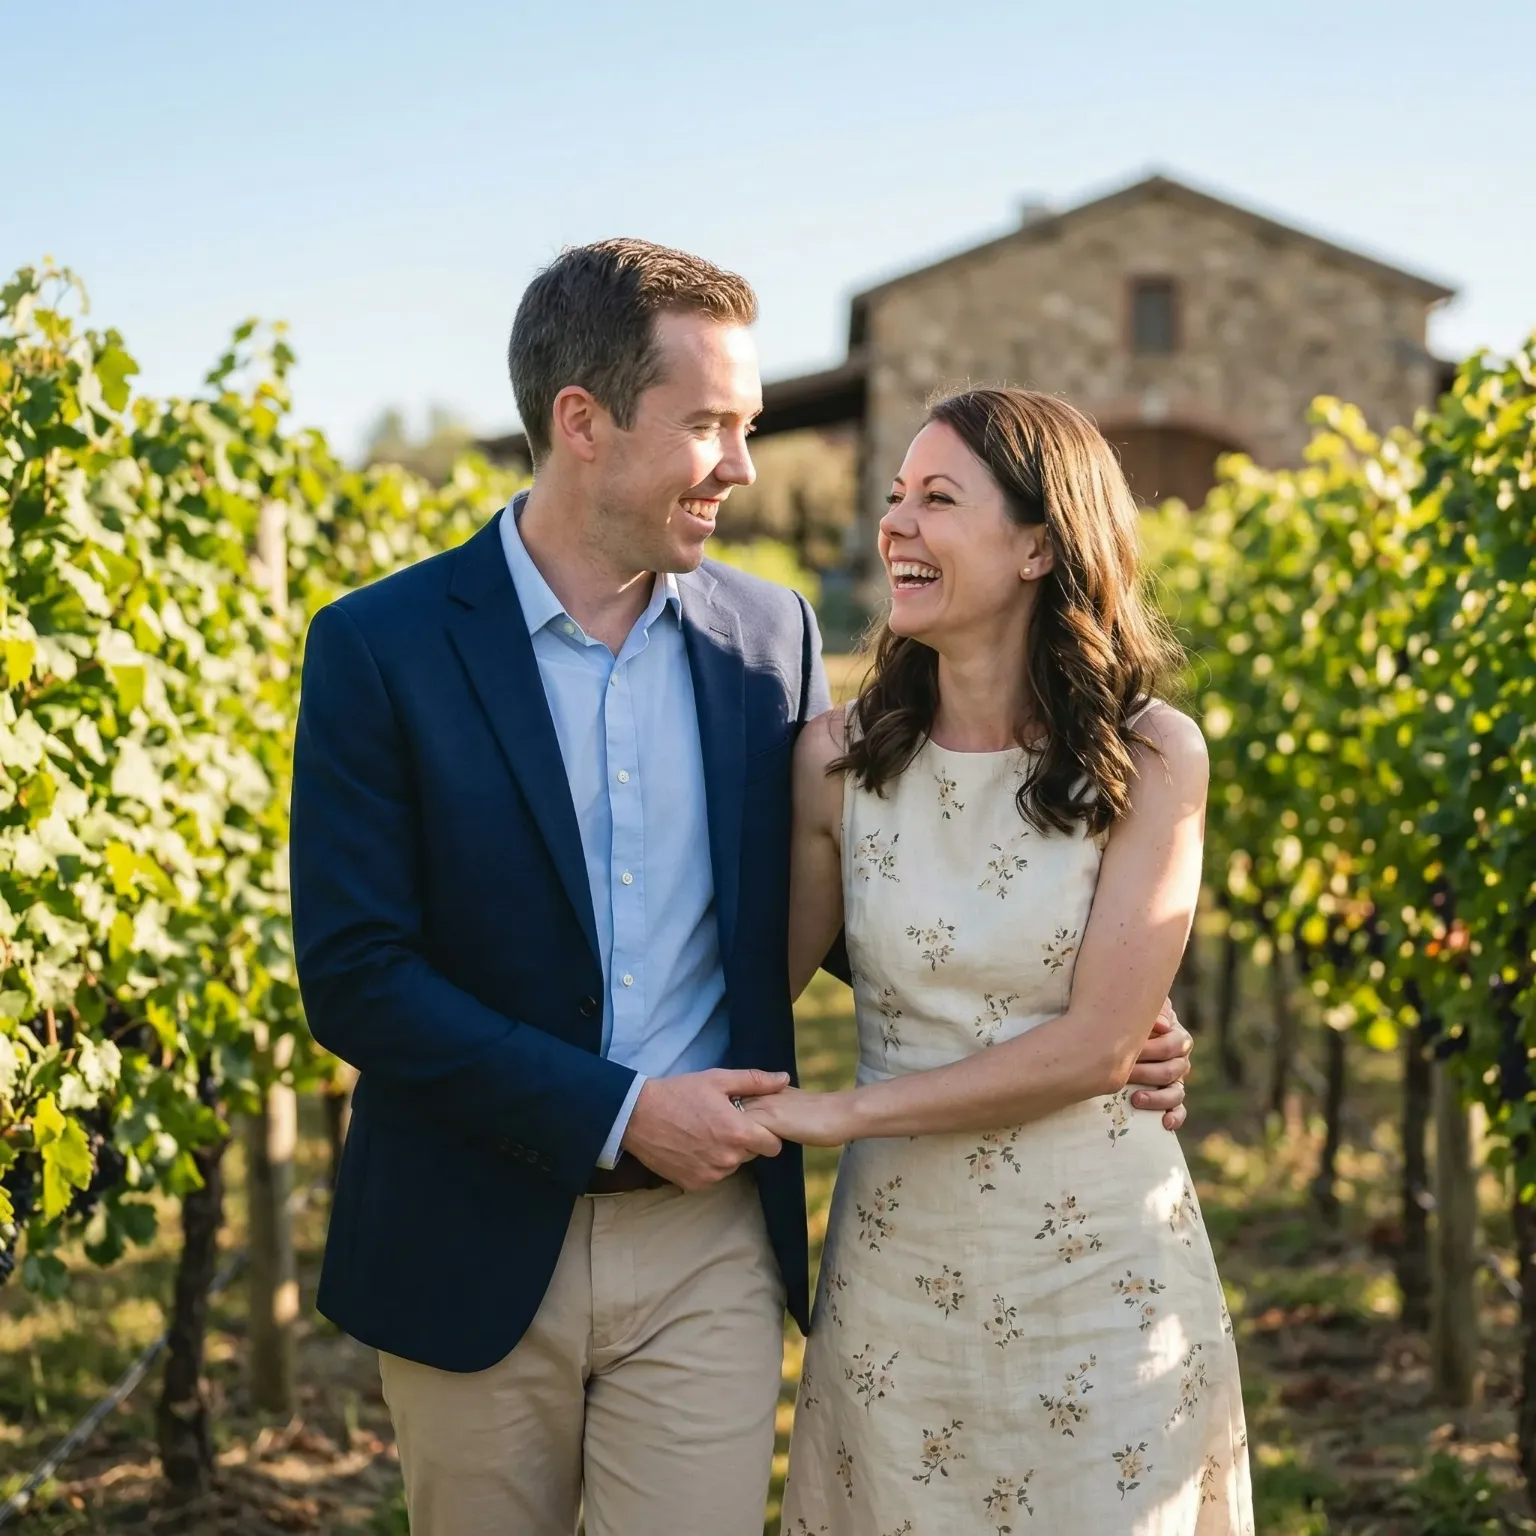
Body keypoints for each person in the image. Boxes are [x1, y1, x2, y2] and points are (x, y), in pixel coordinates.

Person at [288, 241, 1195, 1536]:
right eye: (711, 423)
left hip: (710, 1234)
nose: (744, 465)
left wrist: (1106, 1006)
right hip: (469, 1224)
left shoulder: (769, 639)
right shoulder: (378, 645)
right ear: (583, 423)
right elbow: (358, 976)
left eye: (751, 424)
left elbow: (849, 897)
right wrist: (616, 1112)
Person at [752, 386, 1252, 1534]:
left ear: (1038, 543)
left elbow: (1097, 1047)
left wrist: (832, 1116)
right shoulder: (835, 760)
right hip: (896, 1275)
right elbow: (764, 978)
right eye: (893, 499)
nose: (897, 526)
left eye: (938, 498)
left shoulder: (1151, 754)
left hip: (1102, 1277)